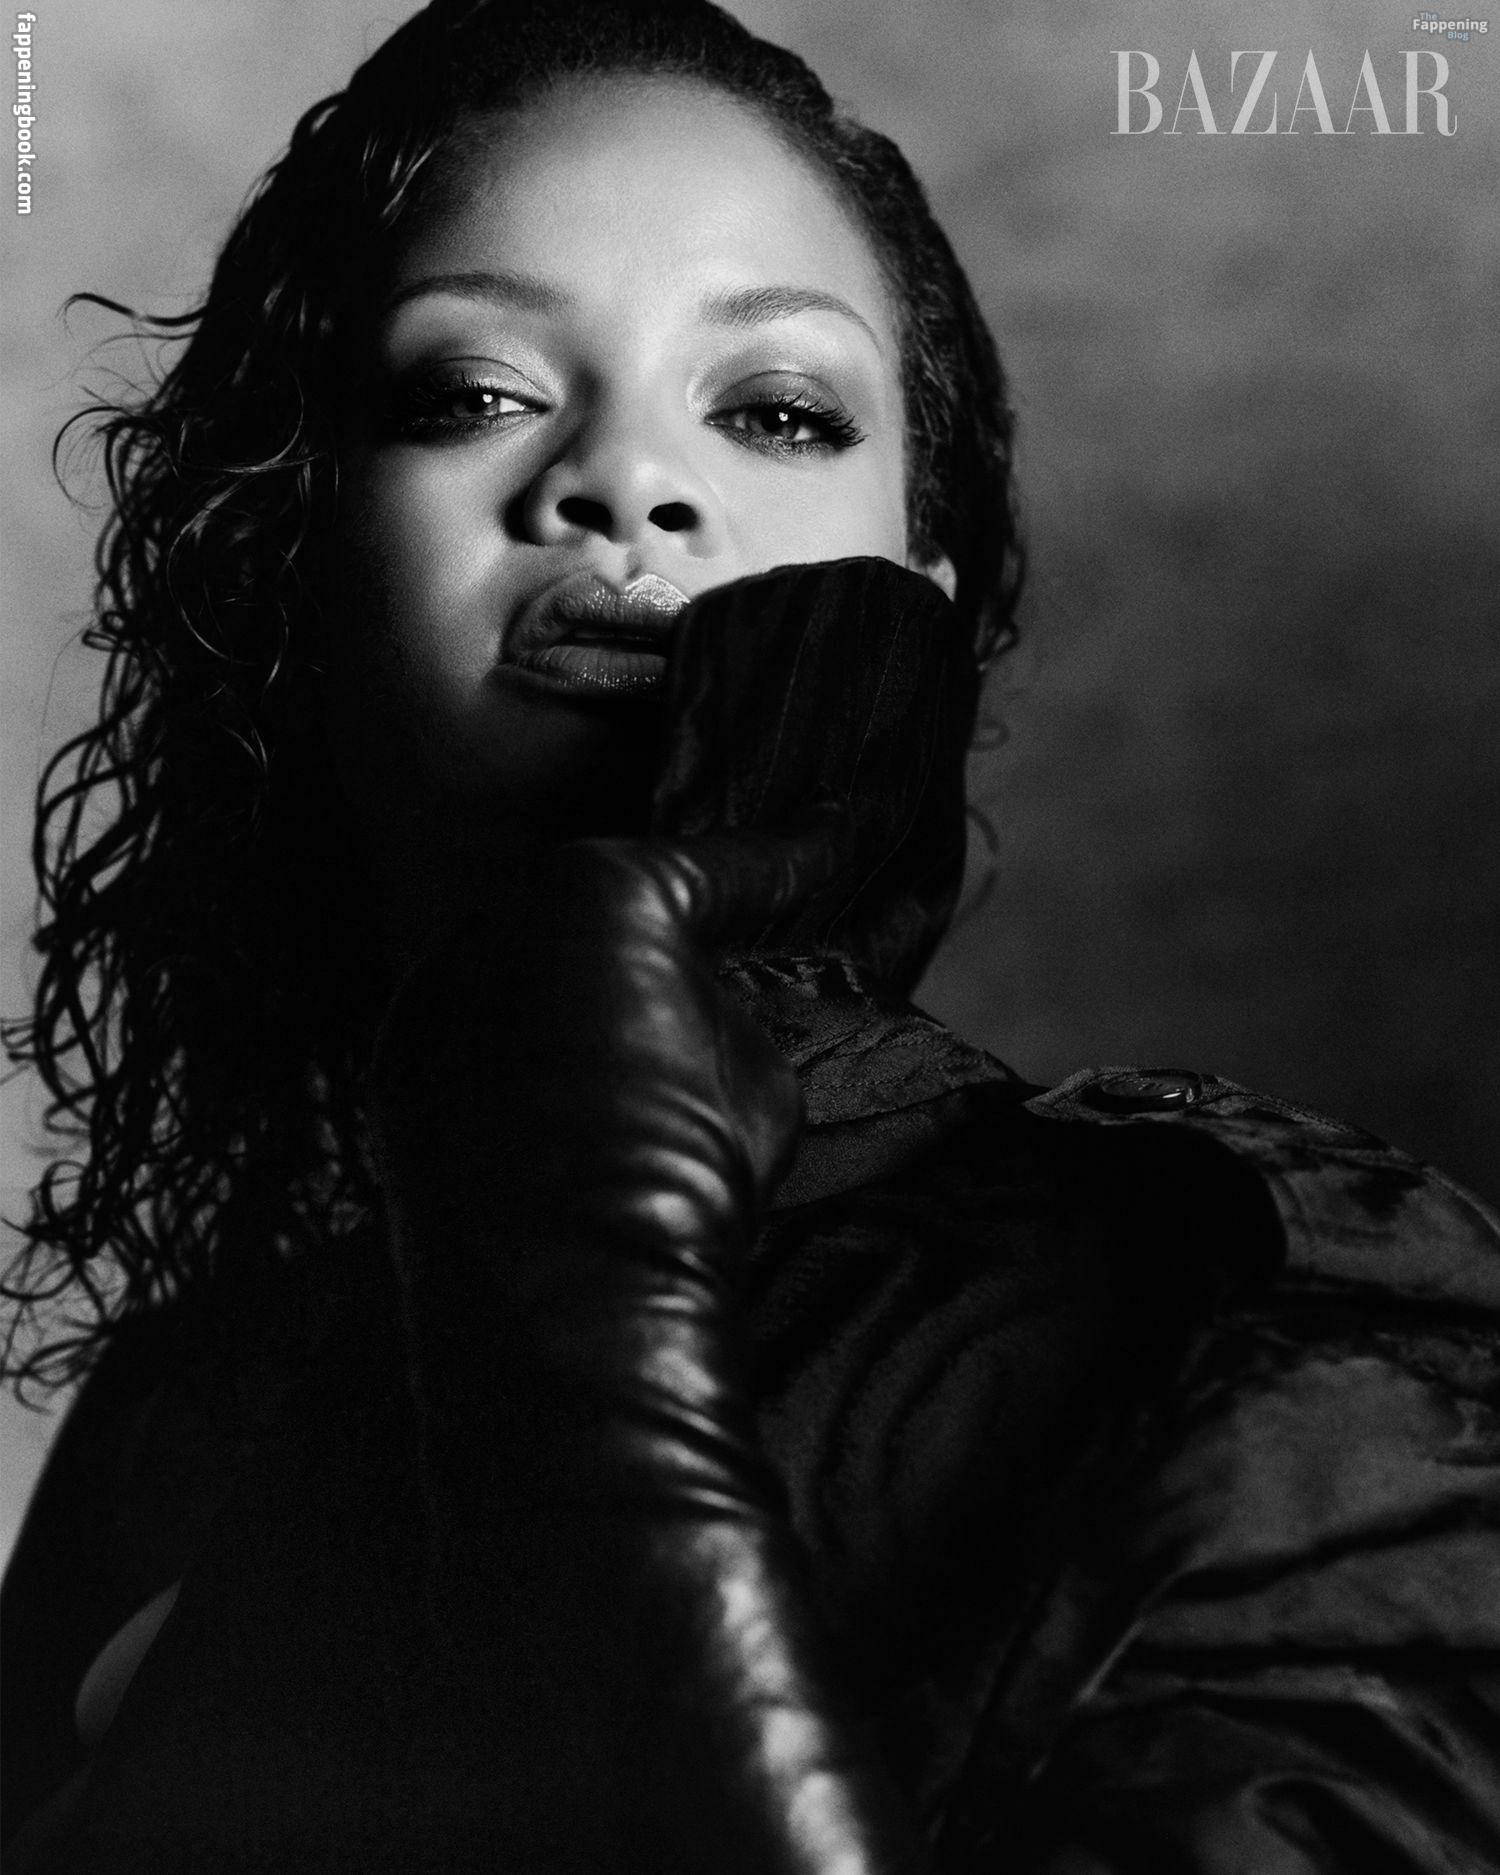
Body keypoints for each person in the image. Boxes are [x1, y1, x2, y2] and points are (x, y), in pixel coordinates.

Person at [3, 1, 1498, 1869]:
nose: (627, 479)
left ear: (927, 593)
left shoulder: (1239, 1285)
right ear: (290, 565)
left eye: (777, 411)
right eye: (472, 394)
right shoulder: (187, 1417)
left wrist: (586, 1335)